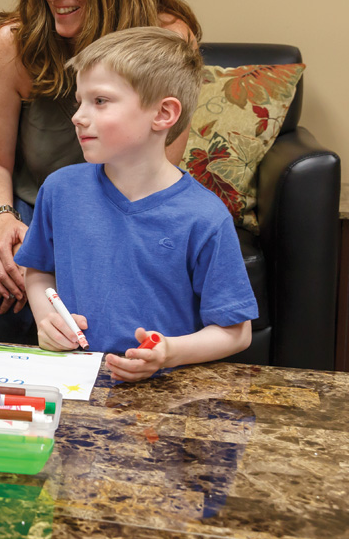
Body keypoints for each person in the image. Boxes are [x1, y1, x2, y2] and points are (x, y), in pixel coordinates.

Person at [0, 0, 202, 343]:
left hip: (122, 196)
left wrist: (82, 239)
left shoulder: (166, 40)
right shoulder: (11, 46)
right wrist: (0, 219)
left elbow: (158, 161)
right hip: (22, 199)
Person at [14, 27, 255, 381]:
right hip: (74, 382)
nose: (78, 116)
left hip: (164, 399)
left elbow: (237, 333)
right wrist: (45, 317)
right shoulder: (60, 190)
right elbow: (37, 271)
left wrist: (169, 351)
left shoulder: (205, 217)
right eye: (80, 100)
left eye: (100, 101)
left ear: (163, 114)